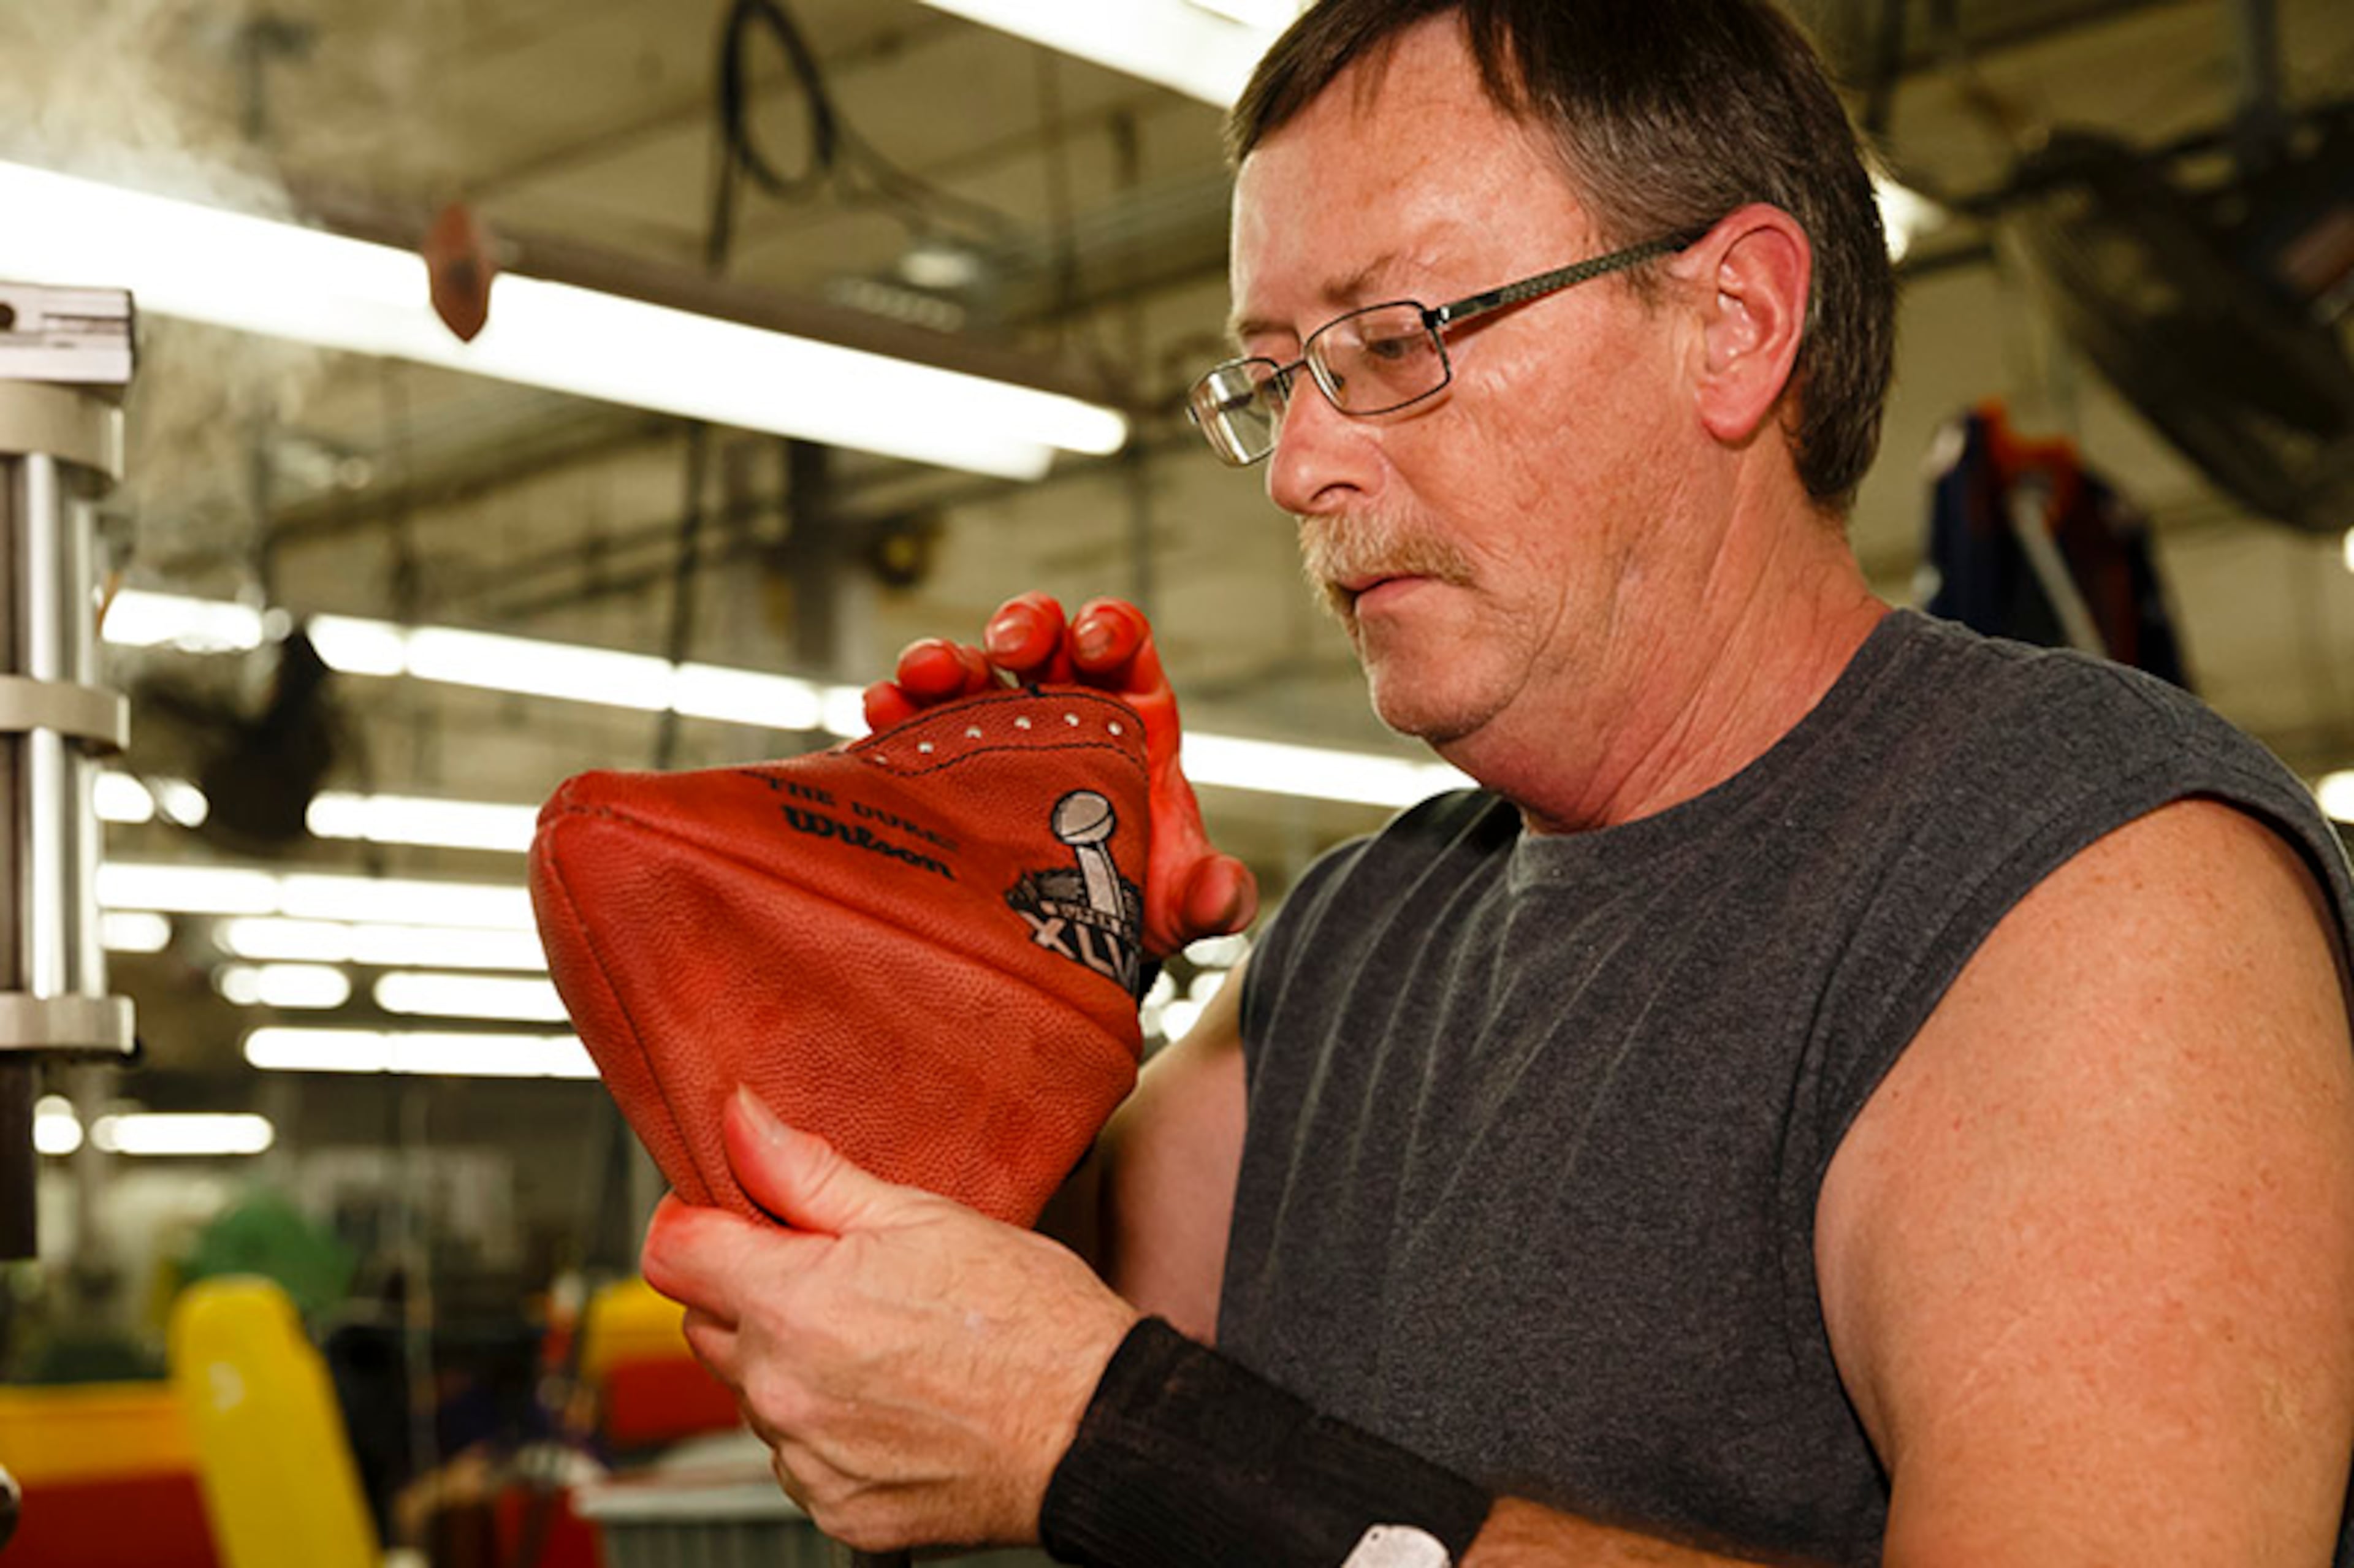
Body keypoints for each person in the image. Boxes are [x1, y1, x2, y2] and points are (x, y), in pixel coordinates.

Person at [638, 1, 2354, 1563]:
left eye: (1394, 337)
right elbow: (922, 1360)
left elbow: (1086, 1418)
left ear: (1734, 321)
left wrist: (1128, 1449)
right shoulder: (1351, 945)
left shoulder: (2089, 891)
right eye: (1273, 375)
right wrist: (1032, 976)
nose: (1303, 462)